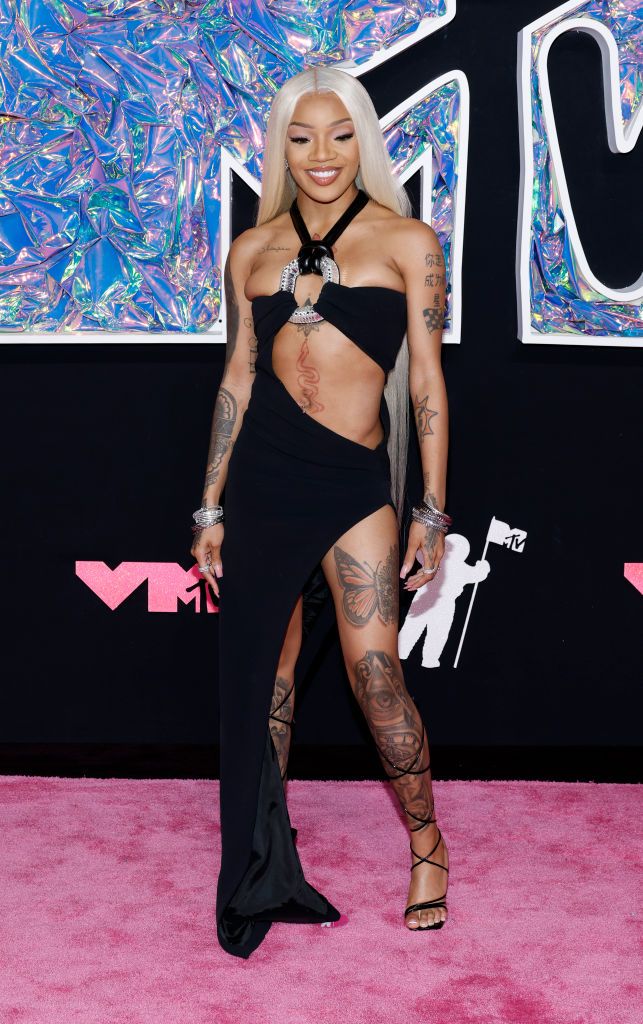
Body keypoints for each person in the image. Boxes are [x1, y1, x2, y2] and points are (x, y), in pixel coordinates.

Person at [191, 65, 451, 960]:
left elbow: (426, 382)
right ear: (281, 146)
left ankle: (428, 846)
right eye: (300, 137)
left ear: (363, 140)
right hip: (264, 479)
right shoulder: (252, 249)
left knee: (376, 676)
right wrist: (208, 506)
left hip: (350, 484)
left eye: (339, 134)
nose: (321, 154)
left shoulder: (406, 241)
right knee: (267, 685)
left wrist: (430, 510)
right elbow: (237, 378)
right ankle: (266, 859)